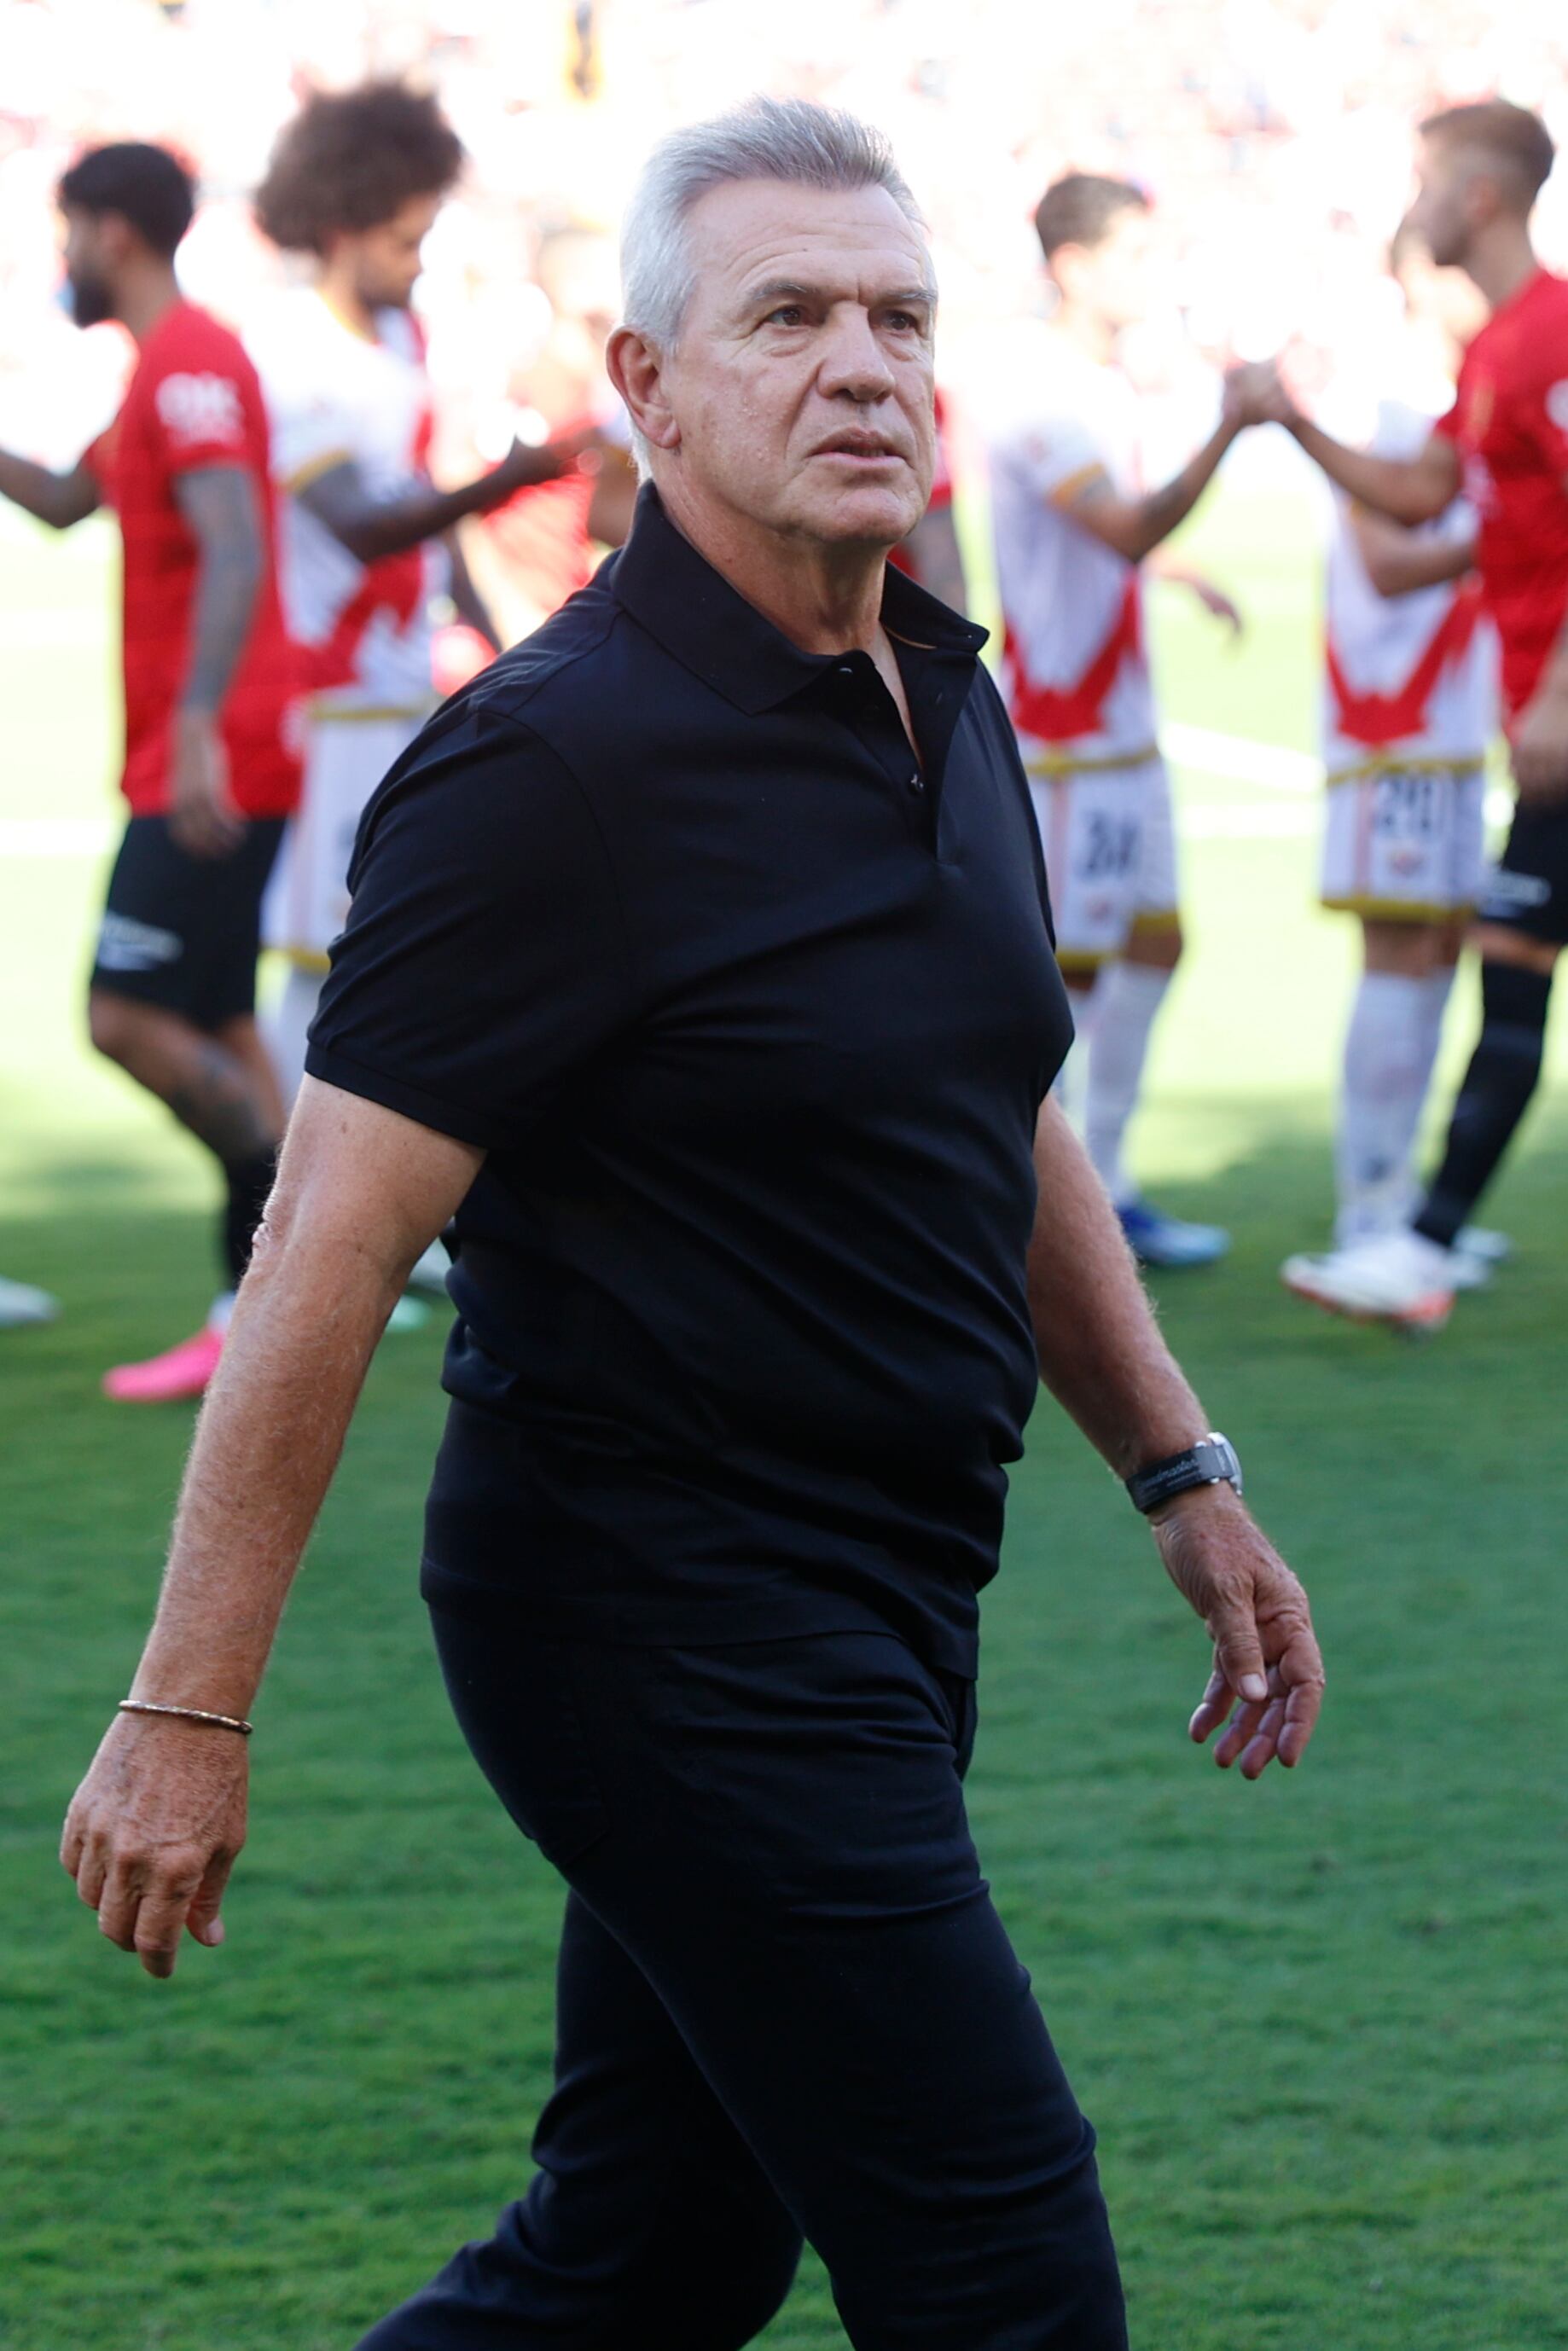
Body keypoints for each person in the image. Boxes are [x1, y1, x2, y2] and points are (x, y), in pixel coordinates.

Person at [61, 100, 1324, 2351]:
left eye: (895, 319)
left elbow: (997, 1093)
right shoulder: (548, 768)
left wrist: (1173, 1462)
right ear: (643, 387)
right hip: (657, 1616)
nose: (860, 366)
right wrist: (189, 1702)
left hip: (888, 1583)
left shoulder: (934, 691)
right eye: (786, 318)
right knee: (1005, 2266)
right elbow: (325, 1252)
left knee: (655, 2250)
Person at [1258, 101, 1567, 1329]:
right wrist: (1286, 422)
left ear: (1478, 199)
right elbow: (1419, 492)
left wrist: (1552, 693)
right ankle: (1417, 1240)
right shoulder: (1497, 354)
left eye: (1428, 178)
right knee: (1512, 963)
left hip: (1557, 723)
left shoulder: (1550, 337)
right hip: (1541, 724)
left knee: (1509, 957)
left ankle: (1417, 1243)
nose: (1414, 201)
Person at [0, 142, 300, 1402]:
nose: (59, 255)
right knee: (225, 1023)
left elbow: (233, 548)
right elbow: (73, 499)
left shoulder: (190, 366)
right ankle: (300, 1285)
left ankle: (269, 1289)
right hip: (204, 750)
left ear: (112, 231)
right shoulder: (158, 371)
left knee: (123, 1017)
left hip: (206, 762)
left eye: (66, 229)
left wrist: (189, 732)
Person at [247, 81, 585, 1103]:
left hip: (401, 686)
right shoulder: (295, 349)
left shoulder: (401, 340)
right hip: (327, 697)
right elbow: (359, 524)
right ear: (342, 228)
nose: (418, 260)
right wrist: (510, 479)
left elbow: (424, 524)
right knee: (319, 966)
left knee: (401, 954)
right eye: (403, 240)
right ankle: (278, 1224)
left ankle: (381, 1209)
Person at [990, 174, 1259, 1269]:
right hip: (1066, 735)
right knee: (1064, 975)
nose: (1155, 277)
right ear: (1073, 264)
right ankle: (1029, 1210)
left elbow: (1119, 535)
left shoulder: (1094, 383)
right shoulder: (1037, 386)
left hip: (1122, 731)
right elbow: (1120, 526)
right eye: (1135, 255)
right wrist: (1233, 427)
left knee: (1155, 939)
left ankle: (1106, 1182)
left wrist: (1179, 567)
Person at [1281, 229, 1497, 1298]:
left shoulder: (1458, 390)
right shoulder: (1390, 394)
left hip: (1448, 724)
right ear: (1420, 276)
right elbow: (1387, 557)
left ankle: (1406, 1211)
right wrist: (1512, 535)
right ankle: (1366, 1211)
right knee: (1397, 952)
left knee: (1439, 949)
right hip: (1392, 727)